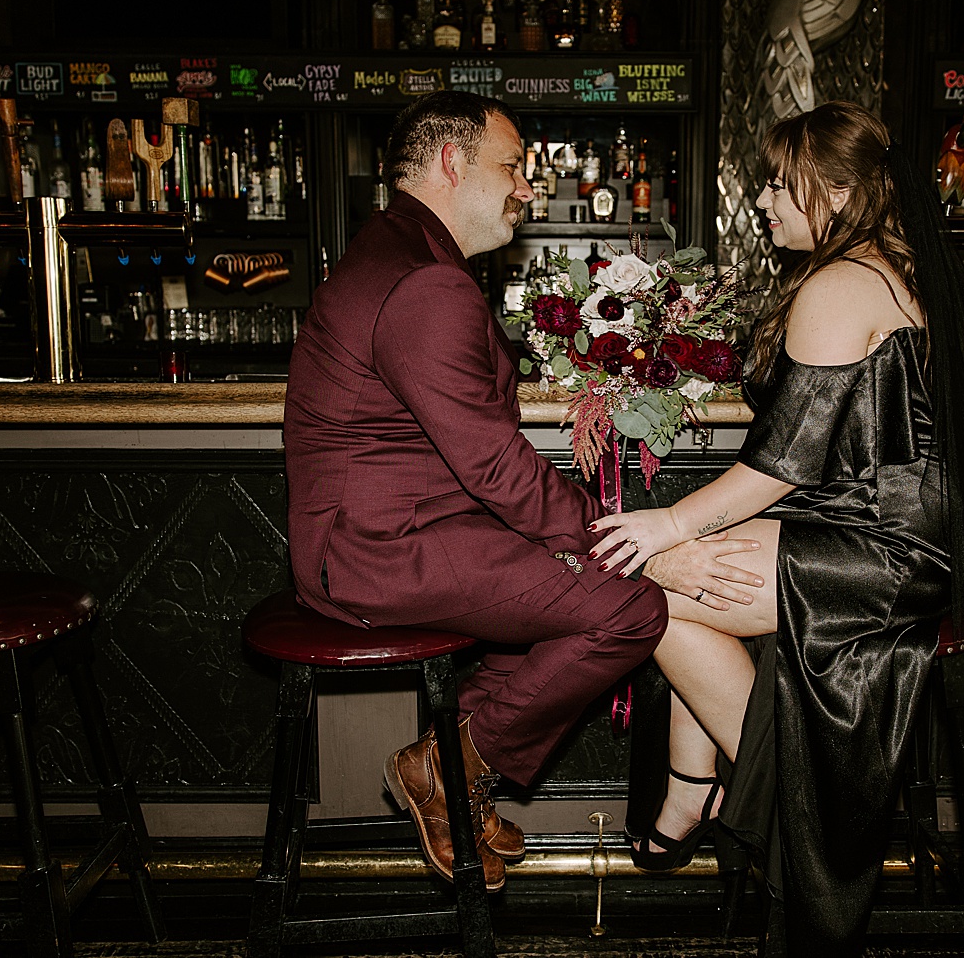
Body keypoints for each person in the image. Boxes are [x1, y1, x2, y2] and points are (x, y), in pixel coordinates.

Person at [283, 92, 766, 890]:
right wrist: (633, 550)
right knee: (628, 605)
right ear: (450, 162)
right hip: (377, 550)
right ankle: (446, 764)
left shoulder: (399, 253)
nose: (523, 189)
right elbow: (497, 469)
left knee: (575, 597)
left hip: (394, 532)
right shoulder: (425, 283)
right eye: (510, 166)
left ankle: (449, 769)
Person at [591, 102, 964, 958]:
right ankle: (701, 788)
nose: (760, 199)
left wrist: (670, 521)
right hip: (877, 528)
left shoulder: (839, 284)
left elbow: (782, 464)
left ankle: (754, 790)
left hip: (882, 550)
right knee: (671, 585)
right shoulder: (886, 265)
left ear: (831, 189)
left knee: (655, 581)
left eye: (778, 184)